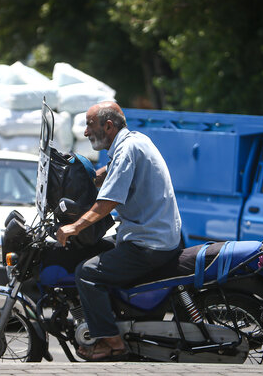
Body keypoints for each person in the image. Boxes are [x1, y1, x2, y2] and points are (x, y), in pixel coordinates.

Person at [56, 101, 182, 361]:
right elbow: (113, 173)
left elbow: (107, 202)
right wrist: (90, 176)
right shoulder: (133, 141)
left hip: (148, 243)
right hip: (151, 235)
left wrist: (74, 226)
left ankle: (111, 342)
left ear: (108, 126)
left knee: (87, 273)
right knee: (93, 250)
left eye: (90, 125)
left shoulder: (126, 150)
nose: (87, 132)